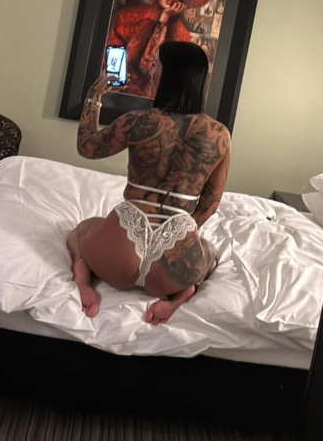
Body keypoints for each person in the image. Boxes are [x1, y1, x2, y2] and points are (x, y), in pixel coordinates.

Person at [67, 41, 230, 325]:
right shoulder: (219, 135)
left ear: (170, 75)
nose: (151, 72)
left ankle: (83, 279)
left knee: (82, 229)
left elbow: (87, 147)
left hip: (118, 254)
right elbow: (211, 202)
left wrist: (94, 96)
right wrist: (180, 234)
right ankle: (180, 296)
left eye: (156, 65)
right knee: (210, 252)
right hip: (171, 269)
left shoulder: (137, 121)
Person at [105, 0, 212, 98]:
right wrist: (118, 81)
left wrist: (165, 19)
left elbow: (159, 70)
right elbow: (120, 53)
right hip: (122, 90)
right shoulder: (130, 16)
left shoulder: (181, 33)